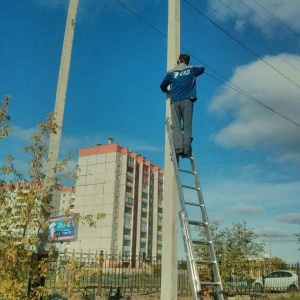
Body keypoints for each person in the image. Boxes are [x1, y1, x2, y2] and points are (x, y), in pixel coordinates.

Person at [160, 54, 205, 157]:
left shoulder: (171, 72)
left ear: (178, 60)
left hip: (175, 102)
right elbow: (202, 68)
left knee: (176, 126)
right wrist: (189, 68)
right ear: (187, 61)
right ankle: (186, 150)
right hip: (187, 101)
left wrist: (167, 90)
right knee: (187, 127)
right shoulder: (192, 69)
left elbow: (162, 86)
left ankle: (178, 148)